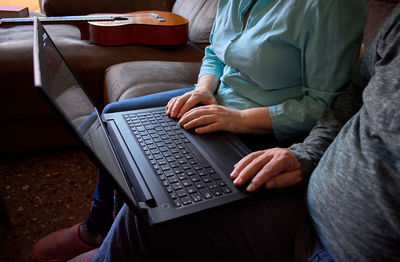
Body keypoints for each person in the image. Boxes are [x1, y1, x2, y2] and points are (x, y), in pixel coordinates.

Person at [32, 0, 367, 261]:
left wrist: (240, 120)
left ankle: (115, 240)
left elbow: (326, 105)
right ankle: (98, 228)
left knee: (161, 188)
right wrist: (204, 89)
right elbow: (215, 54)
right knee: (113, 118)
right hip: (217, 101)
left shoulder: (331, 7)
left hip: (268, 125)